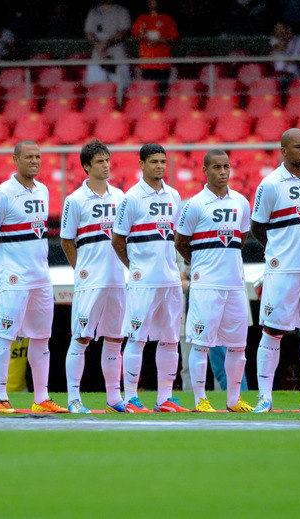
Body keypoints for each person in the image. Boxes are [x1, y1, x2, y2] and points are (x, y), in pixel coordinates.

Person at [0, 140, 67, 413]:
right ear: (15, 160)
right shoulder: (2, 194)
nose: (34, 161)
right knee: (6, 335)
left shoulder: (43, 190)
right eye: (28, 156)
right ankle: (0, 398)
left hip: (41, 276)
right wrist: (6, 266)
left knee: (41, 337)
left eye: (38, 156)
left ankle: (41, 398)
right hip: (14, 278)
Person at [250, 128, 300, 412]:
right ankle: (265, 397)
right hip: (282, 270)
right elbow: (257, 225)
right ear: (284, 151)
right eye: (298, 146)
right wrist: (278, 250)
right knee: (272, 331)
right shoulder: (270, 184)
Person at [174, 149, 253, 412]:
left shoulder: (241, 202)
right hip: (205, 283)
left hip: (234, 283)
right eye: (216, 167)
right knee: (201, 342)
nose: (222, 172)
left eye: (226, 167)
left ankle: (233, 400)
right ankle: (200, 400)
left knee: (237, 344)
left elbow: (241, 238)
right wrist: (201, 264)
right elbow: (181, 242)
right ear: (205, 171)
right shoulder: (194, 205)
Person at [112, 143, 188, 413]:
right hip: (143, 281)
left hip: (169, 280)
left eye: (162, 161)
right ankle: (131, 397)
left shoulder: (174, 196)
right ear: (141, 164)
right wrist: (135, 267)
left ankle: (164, 398)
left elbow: (178, 237)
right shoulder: (131, 198)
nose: (159, 166)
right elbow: (117, 239)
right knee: (136, 338)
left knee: (170, 339)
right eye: (153, 161)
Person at [60, 139, 127, 413]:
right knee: (81, 337)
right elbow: (66, 241)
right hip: (91, 281)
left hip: (117, 279)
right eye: (99, 161)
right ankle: (74, 399)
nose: (105, 165)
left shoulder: (121, 196)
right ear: (87, 166)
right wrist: (81, 270)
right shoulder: (74, 200)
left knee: (115, 338)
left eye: (107, 160)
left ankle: (114, 399)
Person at [131, 0, 178, 93]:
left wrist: (159, 41)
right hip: (147, 63)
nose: (153, 3)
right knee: (148, 91)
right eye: (151, 1)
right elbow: (134, 38)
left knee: (162, 91)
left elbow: (175, 38)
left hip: (163, 63)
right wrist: (142, 35)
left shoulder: (167, 18)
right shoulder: (141, 19)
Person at [84, 1, 132, 88]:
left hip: (118, 56)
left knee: (121, 89)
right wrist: (97, 45)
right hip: (98, 56)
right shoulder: (94, 11)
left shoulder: (121, 11)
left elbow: (124, 32)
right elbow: (88, 32)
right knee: (95, 88)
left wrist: (107, 43)